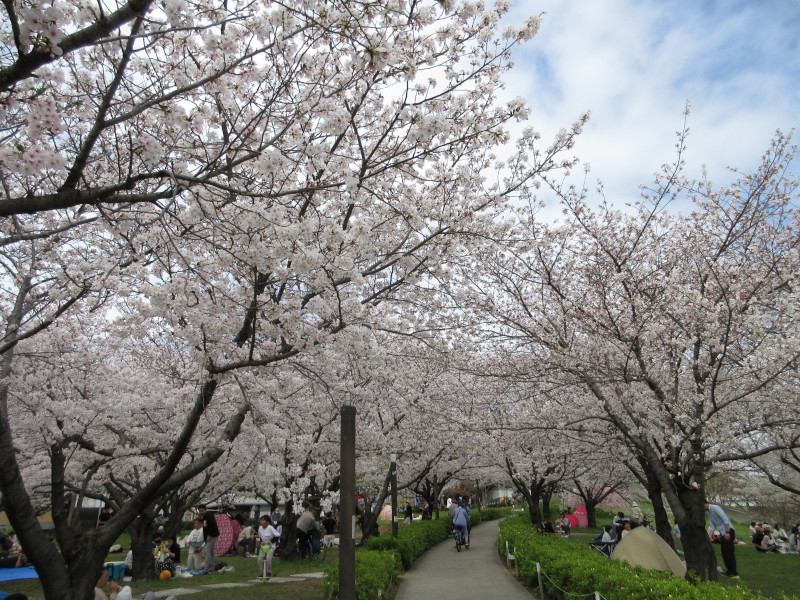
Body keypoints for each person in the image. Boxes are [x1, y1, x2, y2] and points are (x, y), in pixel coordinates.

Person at [705, 501, 738, 578]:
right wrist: (709, 538)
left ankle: (733, 571)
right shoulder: (708, 512)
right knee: (724, 553)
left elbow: (725, 519)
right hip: (722, 533)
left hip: (728, 531)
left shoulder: (715, 508)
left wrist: (727, 532)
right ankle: (729, 570)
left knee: (729, 552)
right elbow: (712, 526)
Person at [256, 515, 280, 579]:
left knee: (268, 559)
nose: (262, 521)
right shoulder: (260, 529)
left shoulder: (270, 528)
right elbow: (260, 537)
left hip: (270, 546)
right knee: (260, 559)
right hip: (263, 546)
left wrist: (271, 541)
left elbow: (277, 536)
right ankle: (262, 573)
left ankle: (268, 572)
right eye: (261, 520)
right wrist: (261, 542)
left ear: (267, 522)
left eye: (264, 520)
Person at [197, 504, 219, 573]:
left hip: (212, 535)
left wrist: (209, 535)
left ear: (205, 509)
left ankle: (206, 567)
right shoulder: (204, 517)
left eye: (202, 511)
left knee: (208, 551)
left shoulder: (209, 516)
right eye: (200, 511)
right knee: (211, 551)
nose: (201, 512)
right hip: (208, 536)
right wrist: (205, 537)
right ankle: (212, 566)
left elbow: (213, 525)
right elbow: (205, 528)